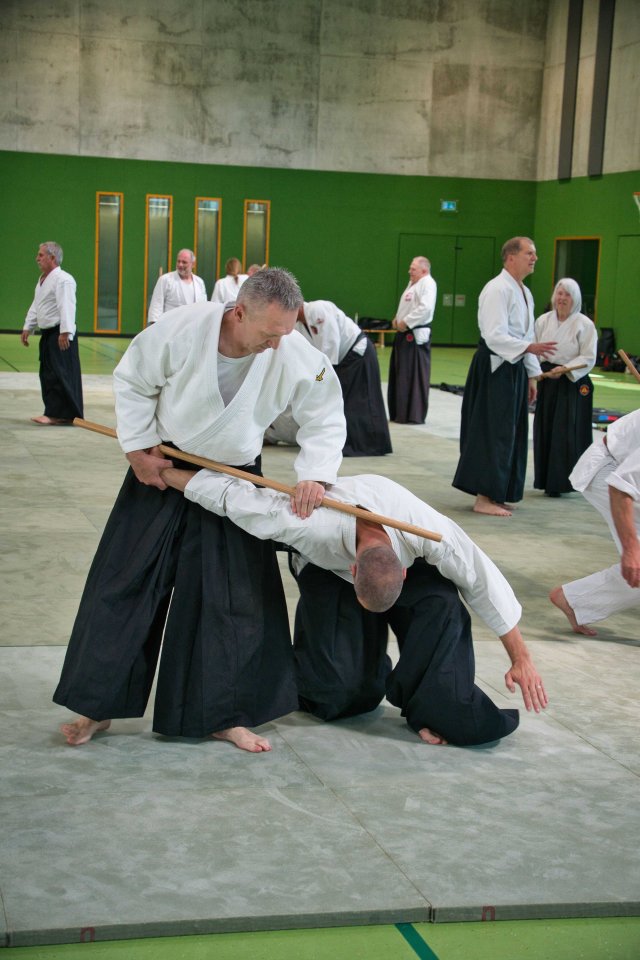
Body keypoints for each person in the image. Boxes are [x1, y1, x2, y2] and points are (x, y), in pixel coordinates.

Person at [54, 268, 347, 752]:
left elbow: (325, 407)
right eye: (270, 333)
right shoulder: (181, 328)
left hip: (234, 482)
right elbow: (133, 379)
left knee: (233, 601)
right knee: (124, 586)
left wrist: (314, 473)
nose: (278, 344)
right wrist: (137, 450)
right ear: (239, 312)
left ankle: (223, 713)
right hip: (162, 468)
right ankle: (96, 704)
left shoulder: (294, 350)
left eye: (286, 332)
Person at [161, 468, 549, 747]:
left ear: (405, 572)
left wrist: (521, 657)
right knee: (340, 695)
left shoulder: (431, 533)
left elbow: (483, 580)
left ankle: (433, 707)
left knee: (441, 605)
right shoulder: (305, 523)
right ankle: (350, 672)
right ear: (352, 571)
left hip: (396, 550)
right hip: (325, 567)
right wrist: (163, 472)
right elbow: (234, 498)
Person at [452, 237, 557, 517]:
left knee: (511, 433)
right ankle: (483, 497)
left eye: (535, 253)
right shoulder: (497, 289)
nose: (534, 258)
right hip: (494, 367)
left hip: (515, 367)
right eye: (529, 253)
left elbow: (528, 335)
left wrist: (532, 375)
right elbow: (494, 334)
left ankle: (499, 492)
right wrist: (529, 348)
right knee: (491, 431)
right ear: (511, 257)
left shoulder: (525, 292)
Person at [550, 409, 640, 635]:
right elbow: (620, 488)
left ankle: (575, 600)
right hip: (610, 470)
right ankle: (575, 600)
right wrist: (631, 550)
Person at [266, 300, 392, 456]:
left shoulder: (318, 309)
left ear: (296, 307)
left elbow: (329, 351)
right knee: (342, 403)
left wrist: (318, 381)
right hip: (339, 362)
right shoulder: (298, 327)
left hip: (357, 355)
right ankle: (346, 442)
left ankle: (370, 444)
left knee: (359, 401)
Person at [533, 278, 597, 496]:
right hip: (547, 378)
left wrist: (565, 369)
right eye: (559, 293)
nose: (562, 298)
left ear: (575, 299)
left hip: (571, 380)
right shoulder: (543, 321)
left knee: (566, 431)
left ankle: (565, 481)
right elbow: (533, 349)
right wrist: (535, 371)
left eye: (567, 295)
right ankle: (546, 480)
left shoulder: (584, 324)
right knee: (545, 427)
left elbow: (588, 357)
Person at [20, 242, 83, 425]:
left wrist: (65, 332)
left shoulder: (63, 279)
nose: (37, 258)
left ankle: (61, 414)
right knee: (48, 374)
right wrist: (28, 326)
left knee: (60, 374)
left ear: (52, 257)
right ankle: (55, 413)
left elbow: (67, 306)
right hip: (48, 334)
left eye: (41, 255)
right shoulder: (43, 280)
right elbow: (37, 305)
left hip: (60, 334)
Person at [387, 256, 437, 424]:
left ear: (424, 270)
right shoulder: (413, 284)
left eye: (413, 269)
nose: (409, 271)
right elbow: (407, 306)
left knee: (412, 375)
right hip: (403, 332)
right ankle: (400, 412)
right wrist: (397, 319)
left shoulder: (428, 283)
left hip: (415, 335)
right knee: (401, 374)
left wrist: (406, 322)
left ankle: (413, 414)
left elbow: (425, 308)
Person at [146, 249, 207, 323]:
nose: (180, 265)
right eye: (178, 261)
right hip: (170, 326)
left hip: (193, 326)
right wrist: (155, 325)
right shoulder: (165, 280)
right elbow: (156, 306)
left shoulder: (199, 282)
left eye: (184, 262)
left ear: (193, 264)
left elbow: (203, 307)